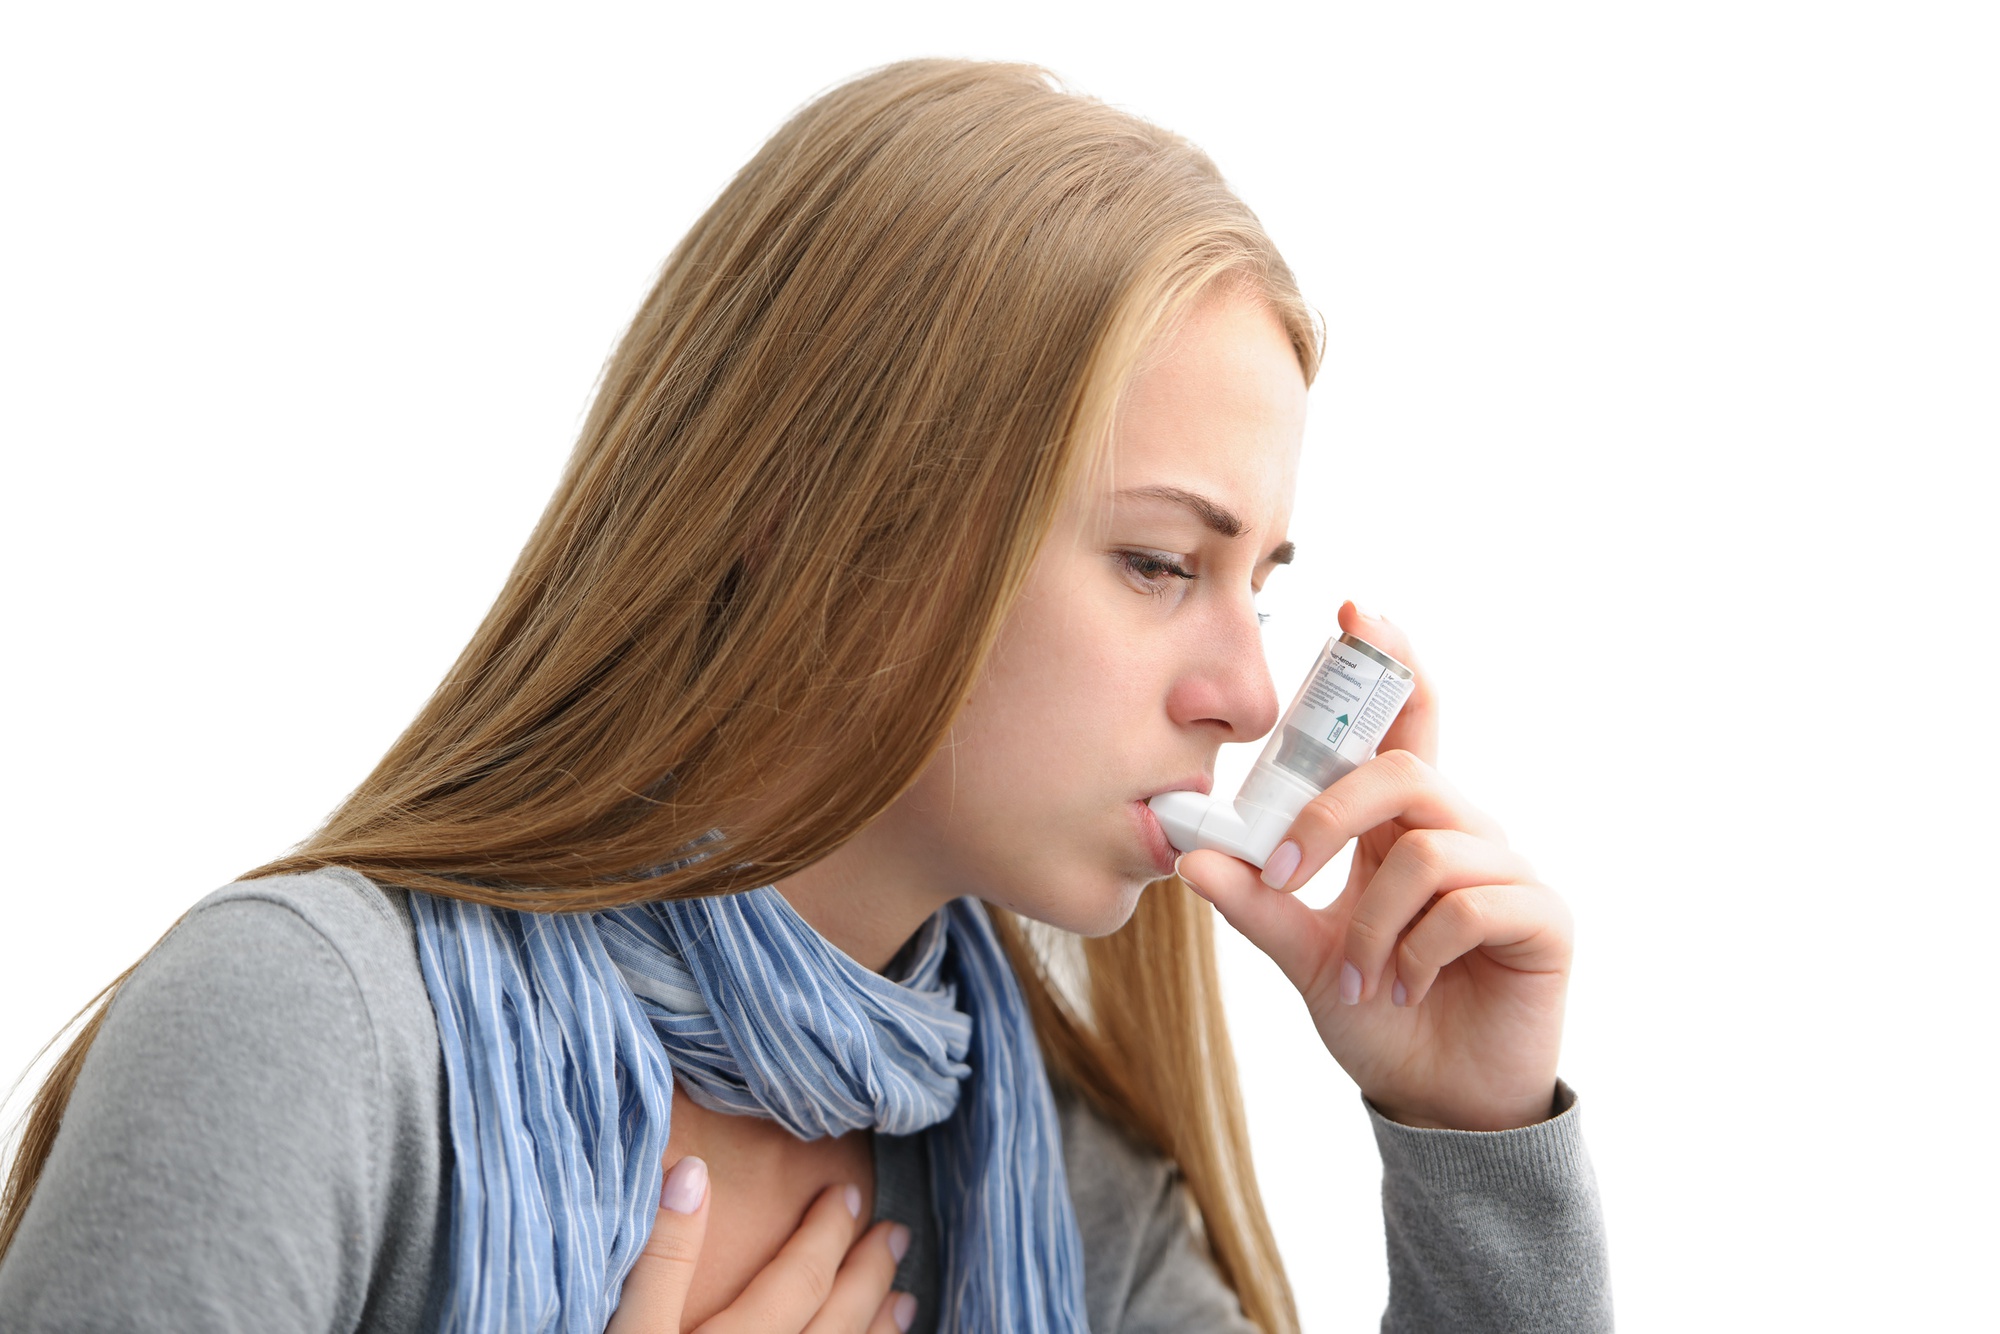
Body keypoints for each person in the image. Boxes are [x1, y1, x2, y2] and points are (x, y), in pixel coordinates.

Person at [0, 59, 1610, 1333]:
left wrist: (1472, 1140)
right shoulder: (307, 1039)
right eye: (1155, 562)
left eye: (1255, 580)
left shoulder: (1058, 1185)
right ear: (838, 528)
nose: (1247, 689)